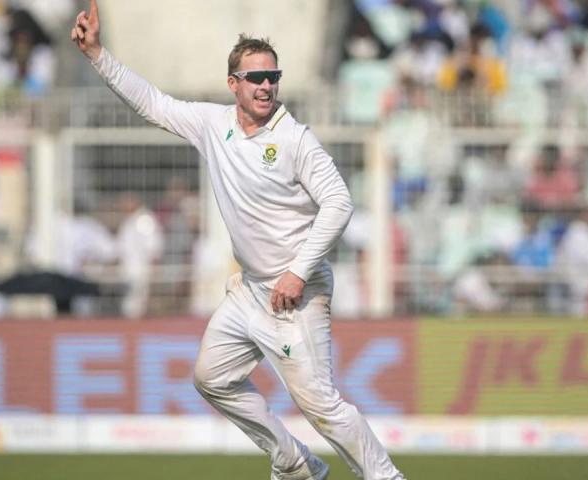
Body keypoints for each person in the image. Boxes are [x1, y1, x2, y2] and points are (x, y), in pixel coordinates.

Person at [71, 2, 405, 479]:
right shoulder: (214, 125)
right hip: (250, 290)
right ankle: (293, 462)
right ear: (234, 84)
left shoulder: (295, 139)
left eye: (273, 77)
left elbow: (339, 203)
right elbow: (153, 104)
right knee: (212, 378)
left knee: (321, 406)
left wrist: (297, 272)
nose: (266, 85)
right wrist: (97, 54)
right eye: (256, 78)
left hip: (295, 294)